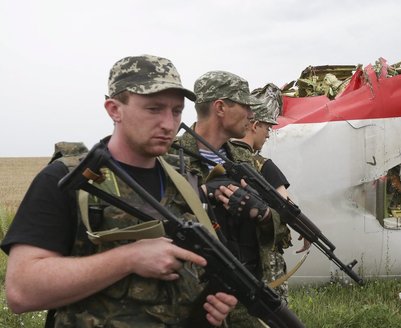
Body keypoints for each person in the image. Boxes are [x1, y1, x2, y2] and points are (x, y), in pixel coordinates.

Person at [1, 55, 237, 327]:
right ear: (114, 109)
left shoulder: (186, 180)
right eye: (154, 109)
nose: (168, 123)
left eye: (176, 111)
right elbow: (21, 290)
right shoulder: (67, 178)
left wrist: (211, 307)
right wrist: (128, 258)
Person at [170, 71, 288, 327]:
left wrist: (265, 214)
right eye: (245, 106)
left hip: (248, 298)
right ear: (220, 107)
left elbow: (281, 227)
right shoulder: (172, 158)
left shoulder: (248, 162)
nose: (251, 115)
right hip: (198, 303)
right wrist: (201, 197)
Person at [228, 83, 312, 303]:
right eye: (267, 128)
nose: (268, 135)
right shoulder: (263, 165)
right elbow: (288, 207)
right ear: (254, 125)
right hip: (261, 262)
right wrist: (306, 230)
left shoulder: (219, 158)